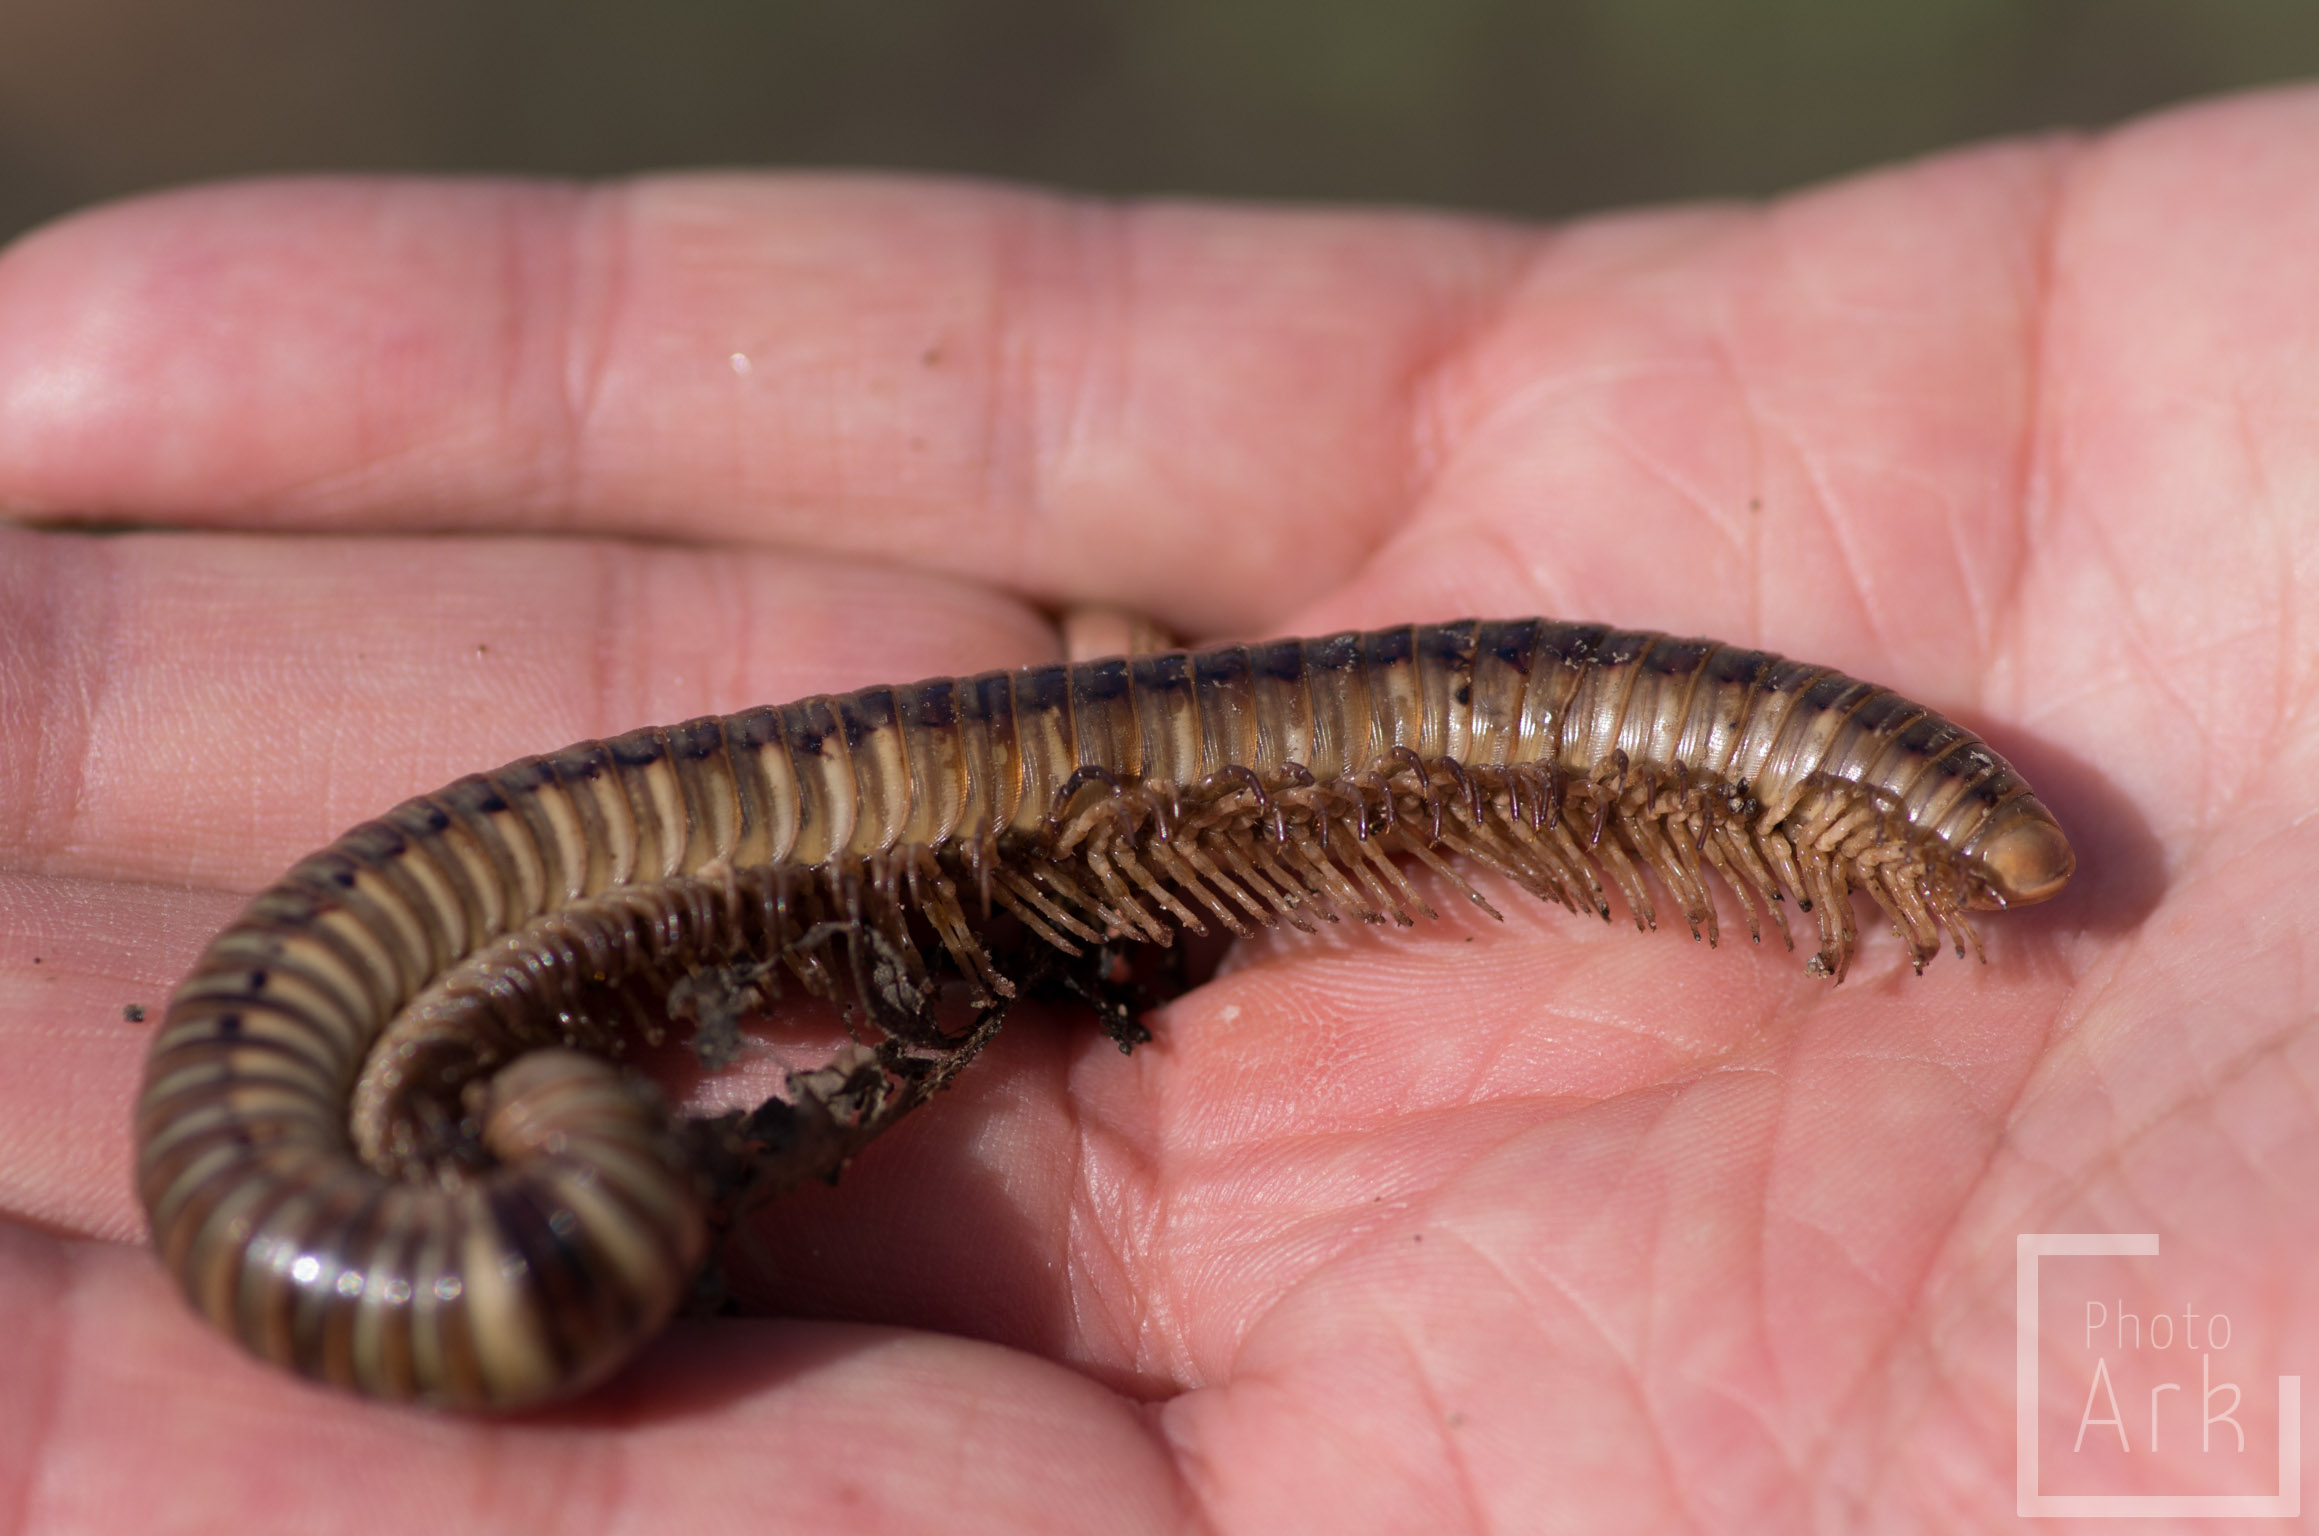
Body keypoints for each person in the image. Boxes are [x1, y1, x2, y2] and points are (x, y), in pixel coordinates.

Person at [0, 85, 2309, 1532]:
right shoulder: (425, 1110)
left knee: (1421, 757)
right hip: (440, 987)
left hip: (429, 974)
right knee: (1405, 760)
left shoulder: (410, 1079)